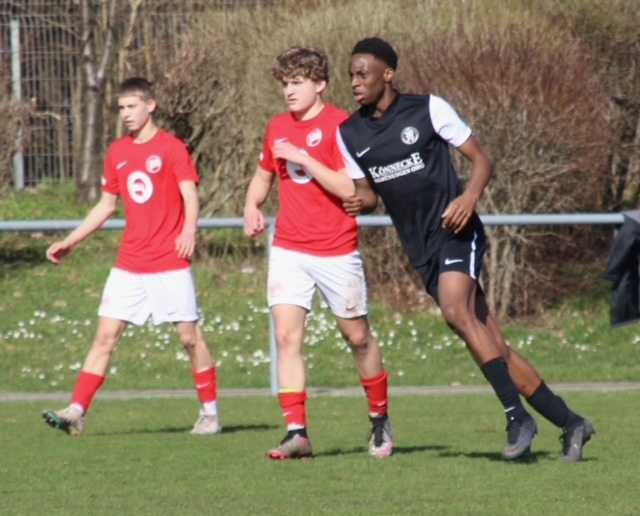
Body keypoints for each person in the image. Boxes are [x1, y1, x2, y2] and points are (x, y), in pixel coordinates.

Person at [337, 37, 594, 462]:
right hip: (420, 248)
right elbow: (368, 193)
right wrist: (357, 203)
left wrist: (469, 197)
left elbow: (483, 160)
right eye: (351, 75)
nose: (354, 82)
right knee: (494, 345)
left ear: (388, 74)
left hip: (456, 231)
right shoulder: (350, 132)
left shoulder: (428, 109)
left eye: (362, 74)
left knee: (456, 312)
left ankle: (517, 418)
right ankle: (572, 423)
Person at [41, 77, 221, 437]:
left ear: (150, 106)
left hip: (169, 260)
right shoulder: (117, 152)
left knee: (189, 338)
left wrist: (189, 230)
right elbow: (106, 206)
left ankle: (210, 415)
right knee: (105, 337)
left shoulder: (171, 148)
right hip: (130, 263)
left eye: (132, 106)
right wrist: (71, 241)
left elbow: (190, 195)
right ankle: (76, 411)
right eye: (122, 107)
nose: (126, 114)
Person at [243, 46, 392, 460]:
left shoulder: (342, 125)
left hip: (335, 249)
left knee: (357, 338)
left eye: (297, 83)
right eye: (285, 84)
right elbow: (263, 176)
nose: (289, 91)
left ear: (320, 84)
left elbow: (351, 189)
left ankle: (379, 420)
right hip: (289, 248)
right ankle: (297, 434)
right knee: (285, 336)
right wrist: (251, 205)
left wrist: (305, 158)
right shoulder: (277, 127)